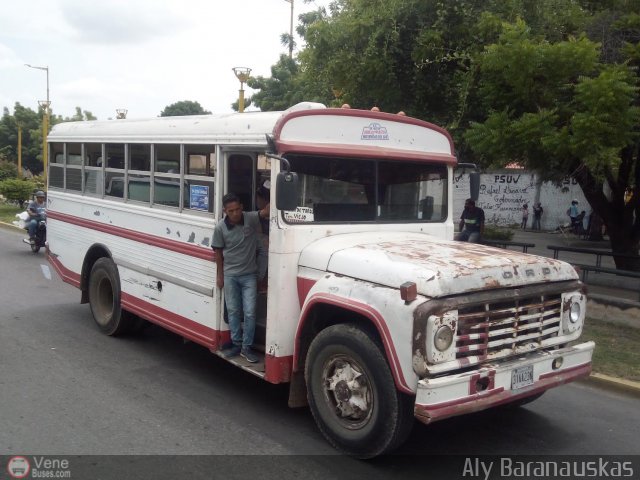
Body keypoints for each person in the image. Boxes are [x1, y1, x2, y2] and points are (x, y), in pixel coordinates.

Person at [212, 193, 267, 363]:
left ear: (242, 207)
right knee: (234, 311)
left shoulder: (250, 218)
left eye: (237, 209)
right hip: (230, 275)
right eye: (231, 211)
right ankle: (236, 343)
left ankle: (246, 347)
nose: (235, 213)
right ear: (225, 211)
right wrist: (220, 276)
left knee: (250, 312)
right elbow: (218, 254)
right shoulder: (220, 228)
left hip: (249, 276)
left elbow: (265, 212)